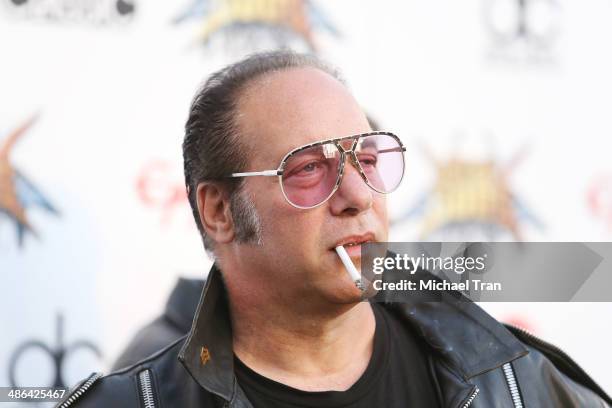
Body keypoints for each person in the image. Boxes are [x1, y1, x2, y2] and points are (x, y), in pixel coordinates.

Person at [57, 51, 611, 407]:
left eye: (367, 160)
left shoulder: (516, 384)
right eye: (308, 169)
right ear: (219, 212)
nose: (357, 197)